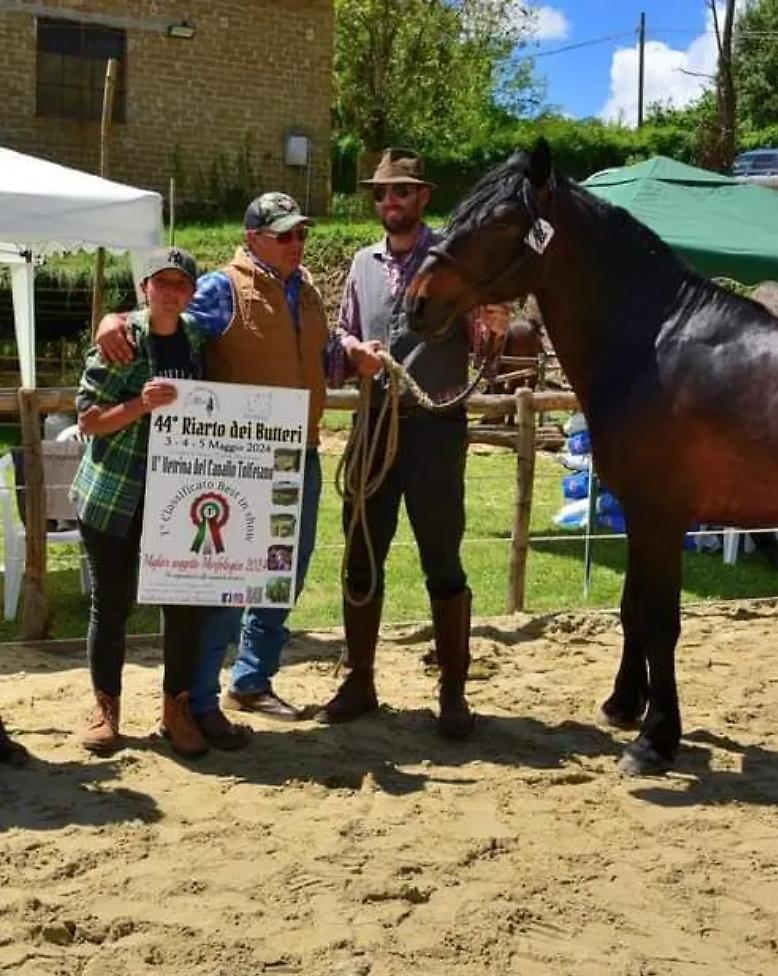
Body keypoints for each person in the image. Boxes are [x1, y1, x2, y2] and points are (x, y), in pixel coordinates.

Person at [95, 192, 327, 746]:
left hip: (300, 448)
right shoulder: (222, 288)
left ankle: (251, 679)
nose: (296, 243)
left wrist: (354, 351)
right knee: (228, 581)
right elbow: (164, 317)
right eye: (284, 234)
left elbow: (321, 351)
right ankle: (198, 700)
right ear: (253, 238)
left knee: (283, 573)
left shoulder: (309, 289)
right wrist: (116, 319)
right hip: (239, 460)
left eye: (301, 234)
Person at [318, 147, 508, 738]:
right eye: (380, 193)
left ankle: (453, 690)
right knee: (361, 551)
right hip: (375, 424)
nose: (389, 201)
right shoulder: (360, 264)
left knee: (441, 556)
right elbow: (341, 337)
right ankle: (360, 680)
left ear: (422, 196)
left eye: (400, 191)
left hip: (434, 427)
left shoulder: (454, 259)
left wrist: (496, 327)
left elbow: (487, 342)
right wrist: (352, 353)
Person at [72, 247, 209, 758]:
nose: (172, 292)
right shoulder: (122, 339)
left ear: (191, 293)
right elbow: (87, 420)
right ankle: (105, 707)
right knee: (110, 605)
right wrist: (140, 405)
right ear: (144, 287)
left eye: (181, 284)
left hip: (177, 496)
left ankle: (177, 709)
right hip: (114, 495)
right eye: (162, 282)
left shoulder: (197, 337)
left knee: (184, 605)